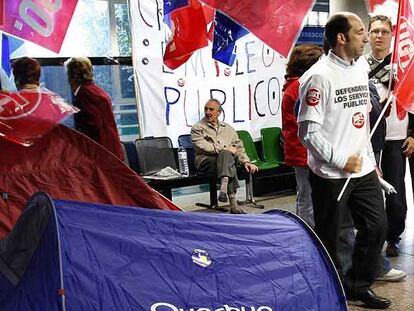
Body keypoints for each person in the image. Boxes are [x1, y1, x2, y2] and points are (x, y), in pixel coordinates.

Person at [298, 12, 390, 309]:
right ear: (341, 38)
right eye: (361, 31)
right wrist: (340, 159)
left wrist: (368, 161)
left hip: (362, 170)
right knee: (331, 238)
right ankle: (331, 289)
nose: (366, 37)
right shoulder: (318, 77)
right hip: (330, 174)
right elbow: (307, 133)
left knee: (377, 228)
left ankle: (357, 286)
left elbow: (360, 122)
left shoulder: (361, 66)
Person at [365, 15, 414, 257]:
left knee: (395, 192)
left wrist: (413, 133)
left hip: (396, 136)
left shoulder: (403, 67)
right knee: (370, 192)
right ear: (368, 34)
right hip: (369, 140)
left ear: (392, 35)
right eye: (375, 31)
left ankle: (393, 236)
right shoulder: (359, 66)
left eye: (384, 31)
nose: (379, 36)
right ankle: (372, 236)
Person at [191, 99, 258, 214]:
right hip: (205, 161)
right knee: (226, 156)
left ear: (219, 112)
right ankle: (233, 203)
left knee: (226, 158)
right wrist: (224, 148)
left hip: (224, 163)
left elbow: (239, 147)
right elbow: (203, 147)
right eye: (206, 109)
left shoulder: (228, 128)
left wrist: (246, 162)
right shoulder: (197, 128)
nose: (208, 112)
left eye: (211, 109)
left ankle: (224, 185)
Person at [281, 44, 323, 228]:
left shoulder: (292, 86)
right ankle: (309, 235)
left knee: (305, 196)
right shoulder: (301, 86)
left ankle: (306, 232)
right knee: (308, 199)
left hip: (300, 151)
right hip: (305, 151)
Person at [64, 57, 124, 161]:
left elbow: (92, 124)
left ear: (73, 76)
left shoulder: (84, 94)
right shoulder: (96, 90)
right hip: (111, 151)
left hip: (100, 154)